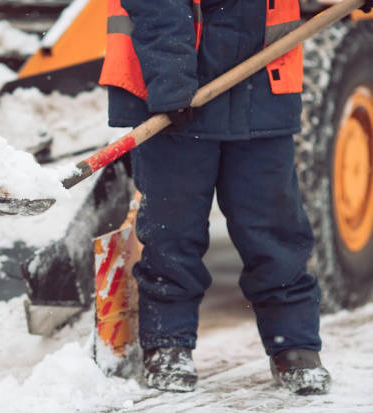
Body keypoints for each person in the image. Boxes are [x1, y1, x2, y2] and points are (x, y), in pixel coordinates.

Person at [97, 0, 372, 395]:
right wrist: (171, 75)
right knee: (172, 229)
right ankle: (168, 343)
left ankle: (294, 346)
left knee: (275, 227)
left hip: (262, 89)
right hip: (175, 89)